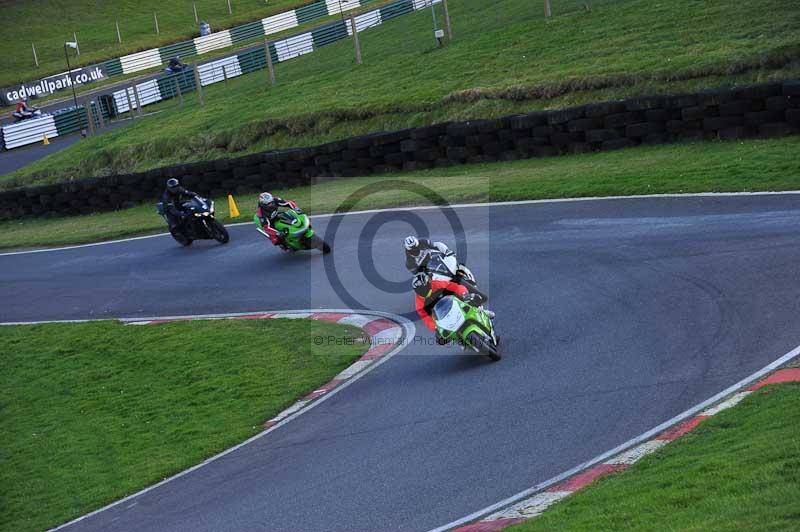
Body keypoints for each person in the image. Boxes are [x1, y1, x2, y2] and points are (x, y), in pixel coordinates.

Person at [413, 271, 490, 342]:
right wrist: (436, 327)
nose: (423, 291)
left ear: (428, 283)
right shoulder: (419, 304)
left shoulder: (436, 284)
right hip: (442, 316)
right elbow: (427, 320)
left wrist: (464, 294)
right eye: (420, 290)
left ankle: (482, 312)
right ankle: (461, 340)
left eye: (424, 288)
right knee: (440, 340)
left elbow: (455, 287)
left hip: (455, 302)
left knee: (473, 299)